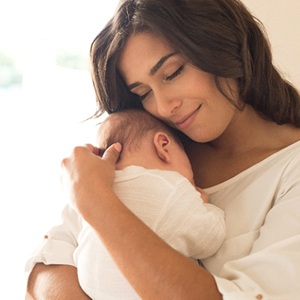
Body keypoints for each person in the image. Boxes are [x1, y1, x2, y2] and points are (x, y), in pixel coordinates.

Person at [26, 0, 300, 299]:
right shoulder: (151, 149)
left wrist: (98, 203)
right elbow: (48, 264)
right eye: (143, 93)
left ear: (224, 44)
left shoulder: (290, 171)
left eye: (172, 73)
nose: (164, 106)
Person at [72, 109, 225, 299]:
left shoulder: (96, 189)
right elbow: (210, 239)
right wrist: (205, 205)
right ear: (163, 145)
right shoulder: (170, 187)